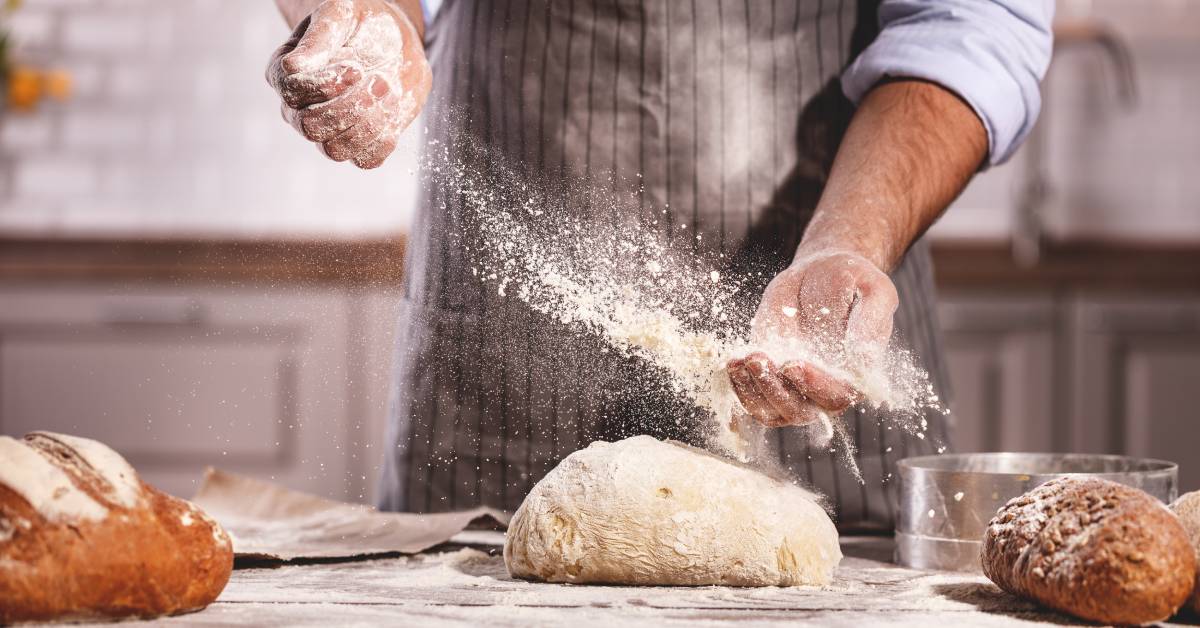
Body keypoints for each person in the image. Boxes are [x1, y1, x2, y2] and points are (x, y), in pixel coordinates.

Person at [268, 0, 1052, 531]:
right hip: (506, 325)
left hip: (824, 296)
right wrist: (367, 19)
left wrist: (848, 239)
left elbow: (972, 22)